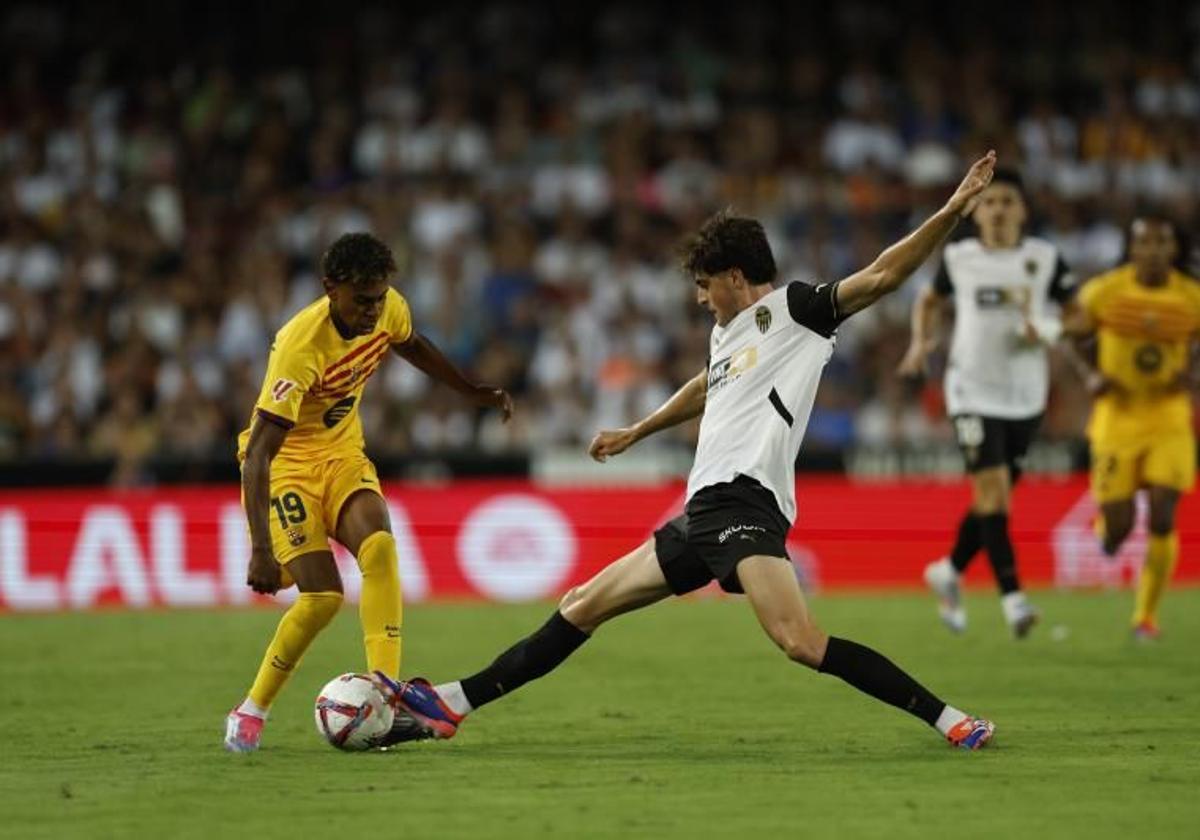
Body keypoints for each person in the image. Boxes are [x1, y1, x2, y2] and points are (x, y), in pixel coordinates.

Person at [381, 152, 1002, 751]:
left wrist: (950, 210)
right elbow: (708, 384)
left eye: (706, 286)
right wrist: (639, 430)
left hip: (745, 500)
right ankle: (452, 704)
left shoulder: (796, 310)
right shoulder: (725, 334)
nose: (702, 299)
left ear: (735, 277)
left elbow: (884, 275)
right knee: (580, 605)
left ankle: (951, 719)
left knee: (801, 641)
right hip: (701, 512)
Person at [223, 232, 512, 752]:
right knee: (322, 597)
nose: (373, 311)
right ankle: (251, 709)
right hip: (288, 468)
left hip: (342, 457)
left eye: (379, 298)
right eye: (362, 300)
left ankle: (386, 690)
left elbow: (413, 344)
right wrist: (260, 549)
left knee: (378, 546)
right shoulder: (299, 347)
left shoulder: (387, 307)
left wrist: (469, 390)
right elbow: (261, 454)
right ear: (331, 289)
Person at [897, 168, 1075, 638]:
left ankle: (950, 572)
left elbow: (1080, 315)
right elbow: (928, 300)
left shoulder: (1044, 259)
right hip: (970, 391)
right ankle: (1014, 600)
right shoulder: (959, 258)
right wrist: (920, 342)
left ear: (1023, 211)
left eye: (1007, 202)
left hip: (1026, 395)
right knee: (994, 494)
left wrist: (1052, 329)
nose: (997, 209)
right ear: (976, 211)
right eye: (990, 202)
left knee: (991, 500)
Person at [1064, 217, 1200, 640]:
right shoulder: (1106, 292)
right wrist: (1090, 374)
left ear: (1175, 249)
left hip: (1169, 416)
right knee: (1119, 529)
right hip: (1116, 417)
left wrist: (1193, 372)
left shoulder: (1191, 296)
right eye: (1145, 242)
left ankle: (1145, 617)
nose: (1154, 250)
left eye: (1163, 241)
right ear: (1132, 248)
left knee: (1163, 515)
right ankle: (1109, 533)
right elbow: (1069, 335)